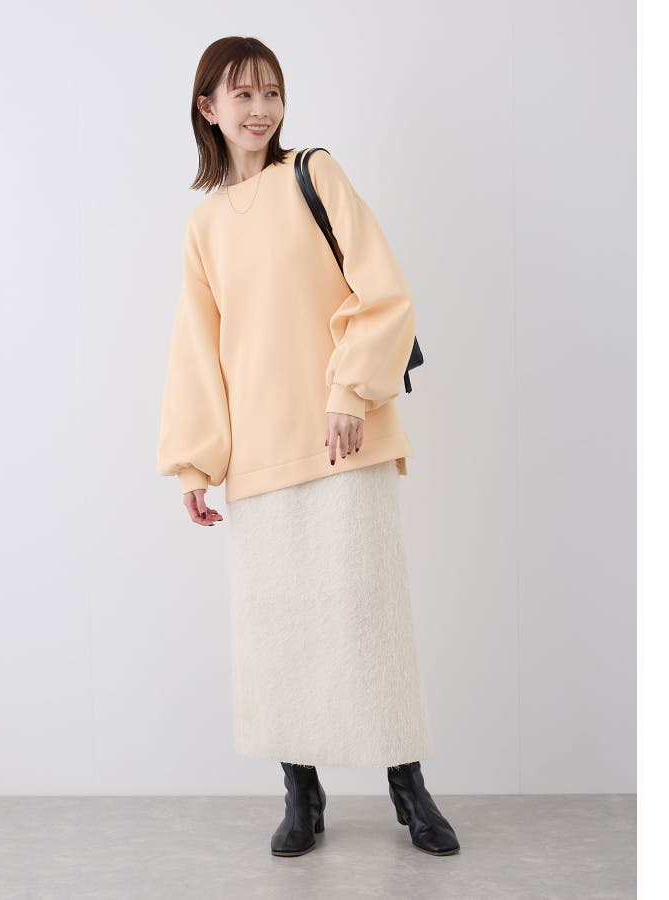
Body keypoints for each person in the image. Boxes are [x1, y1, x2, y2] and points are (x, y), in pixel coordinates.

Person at [156, 36, 460, 859]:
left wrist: (349, 393)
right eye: (242, 94)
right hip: (259, 455)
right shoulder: (204, 226)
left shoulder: (314, 175)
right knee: (279, 630)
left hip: (341, 440)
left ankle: (409, 788)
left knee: (370, 620)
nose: (260, 109)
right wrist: (196, 462)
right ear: (207, 108)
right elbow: (198, 350)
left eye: (272, 93)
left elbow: (384, 290)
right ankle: (301, 793)